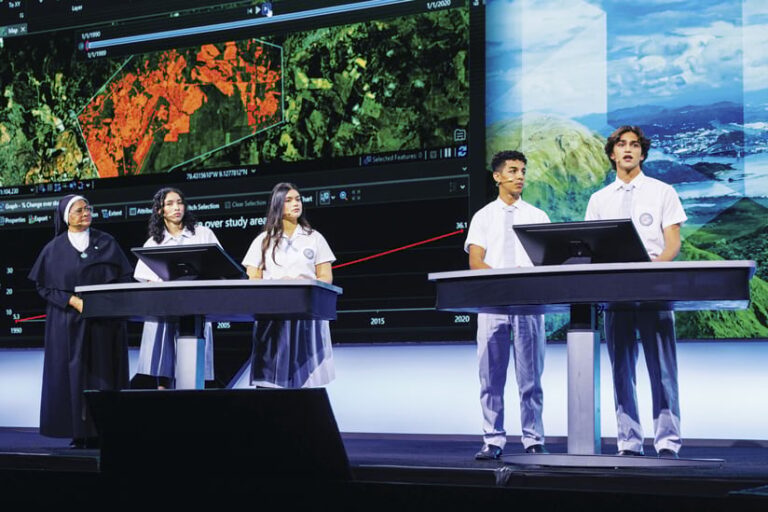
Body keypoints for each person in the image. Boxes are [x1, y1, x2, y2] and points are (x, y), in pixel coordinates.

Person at [585, 125, 687, 458]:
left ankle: (668, 442)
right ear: (612, 153)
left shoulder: (662, 191)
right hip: (615, 291)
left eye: (634, 145)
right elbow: (591, 246)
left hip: (654, 288)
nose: (627, 149)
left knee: (663, 369)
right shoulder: (599, 199)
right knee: (621, 370)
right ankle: (629, 442)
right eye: (621, 144)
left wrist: (656, 268)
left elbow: (673, 242)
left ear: (642, 153)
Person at [465, 150, 551, 459]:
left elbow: (548, 261)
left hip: (528, 303)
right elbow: (476, 260)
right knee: (491, 377)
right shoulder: (484, 216)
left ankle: (533, 439)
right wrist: (502, 282)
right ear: (497, 176)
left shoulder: (538, 216)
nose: (520, 176)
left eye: (523, 171)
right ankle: (493, 439)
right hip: (492, 302)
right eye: (513, 170)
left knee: (531, 378)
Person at [28, 194, 132, 448]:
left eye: (87, 208)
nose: (85, 213)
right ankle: (77, 431)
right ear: (67, 217)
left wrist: (105, 302)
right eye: (78, 210)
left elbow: (124, 278)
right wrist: (71, 301)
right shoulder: (53, 249)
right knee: (72, 376)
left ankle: (104, 430)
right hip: (67, 323)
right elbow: (43, 286)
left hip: (103, 323)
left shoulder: (106, 242)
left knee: (103, 374)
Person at [241, 182, 336, 388]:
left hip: (307, 313)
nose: (296, 204)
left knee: (308, 378)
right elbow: (252, 277)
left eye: (298, 199)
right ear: (277, 205)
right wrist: (277, 286)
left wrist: (307, 285)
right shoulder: (263, 240)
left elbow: (326, 276)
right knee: (271, 379)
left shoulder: (314, 238)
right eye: (289, 200)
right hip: (273, 314)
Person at [133, 187, 221, 388]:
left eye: (180, 203)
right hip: (165, 309)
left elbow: (219, 266)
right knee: (163, 364)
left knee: (193, 367)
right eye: (170, 204)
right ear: (160, 210)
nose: (176, 208)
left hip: (196, 307)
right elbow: (145, 279)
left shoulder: (203, 234)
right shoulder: (154, 242)